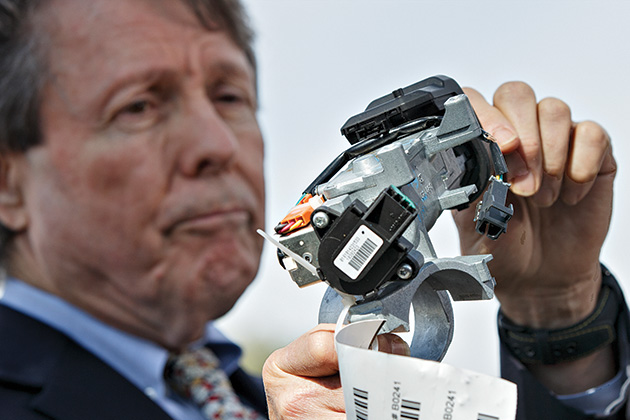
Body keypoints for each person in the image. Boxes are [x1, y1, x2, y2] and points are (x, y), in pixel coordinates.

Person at [0, 0, 623, 419]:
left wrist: (558, 319)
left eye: (229, 95)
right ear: (9, 182)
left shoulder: (273, 401)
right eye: (137, 106)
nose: (217, 143)